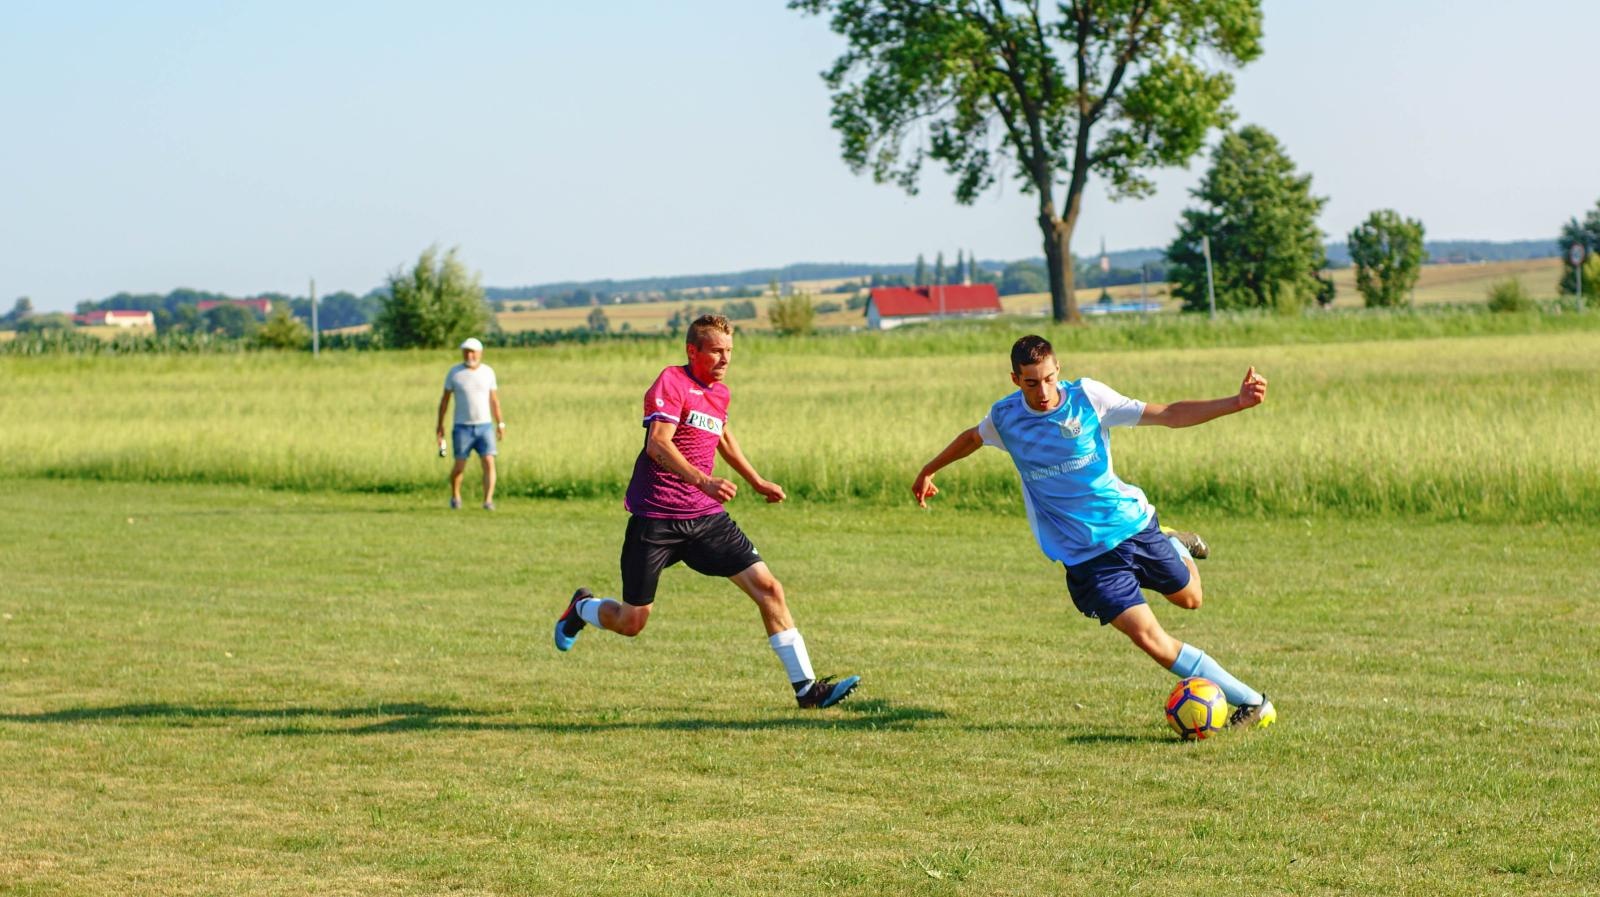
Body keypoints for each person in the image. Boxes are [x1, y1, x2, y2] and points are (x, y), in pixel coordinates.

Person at [911, 334, 1275, 730]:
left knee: (1191, 600)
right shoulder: (1006, 417)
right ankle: (1253, 702)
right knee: (1150, 639)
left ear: (1058, 371)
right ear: (1015, 380)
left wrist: (1236, 402)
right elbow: (971, 438)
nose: (1044, 392)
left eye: (1049, 379)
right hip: (1087, 557)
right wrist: (930, 469)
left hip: (1133, 526)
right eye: (1031, 383)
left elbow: (1168, 413)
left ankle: (1172, 540)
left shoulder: (1088, 397)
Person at [554, 314, 860, 709]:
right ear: (692, 351)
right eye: (716, 351)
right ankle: (581, 607)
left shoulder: (719, 393)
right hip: (657, 518)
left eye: (729, 351)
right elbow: (658, 445)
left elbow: (723, 438)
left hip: (705, 517)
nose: (724, 359)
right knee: (632, 622)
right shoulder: (671, 381)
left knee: (769, 589)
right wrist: (704, 481)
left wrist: (755, 480)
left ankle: (807, 691)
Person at [435, 337, 504, 510]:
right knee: (459, 465)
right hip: (462, 426)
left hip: (484, 426)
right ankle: (455, 496)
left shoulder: (488, 372)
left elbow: (494, 400)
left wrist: (500, 423)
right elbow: (445, 401)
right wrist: (440, 425)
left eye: (473, 351)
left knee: (489, 461)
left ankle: (488, 500)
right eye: (466, 351)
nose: (469, 355)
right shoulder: (455, 373)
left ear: (480, 353)